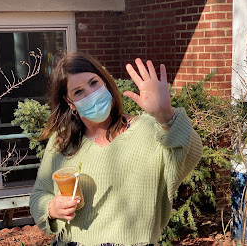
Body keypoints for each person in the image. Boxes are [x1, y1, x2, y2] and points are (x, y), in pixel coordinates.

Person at [29, 52, 203, 246]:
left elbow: (190, 152)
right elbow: (39, 195)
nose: (91, 94)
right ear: (70, 103)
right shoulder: (62, 141)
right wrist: (52, 209)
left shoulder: (149, 129)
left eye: (94, 83)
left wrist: (166, 115)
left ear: (106, 83)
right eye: (78, 92)